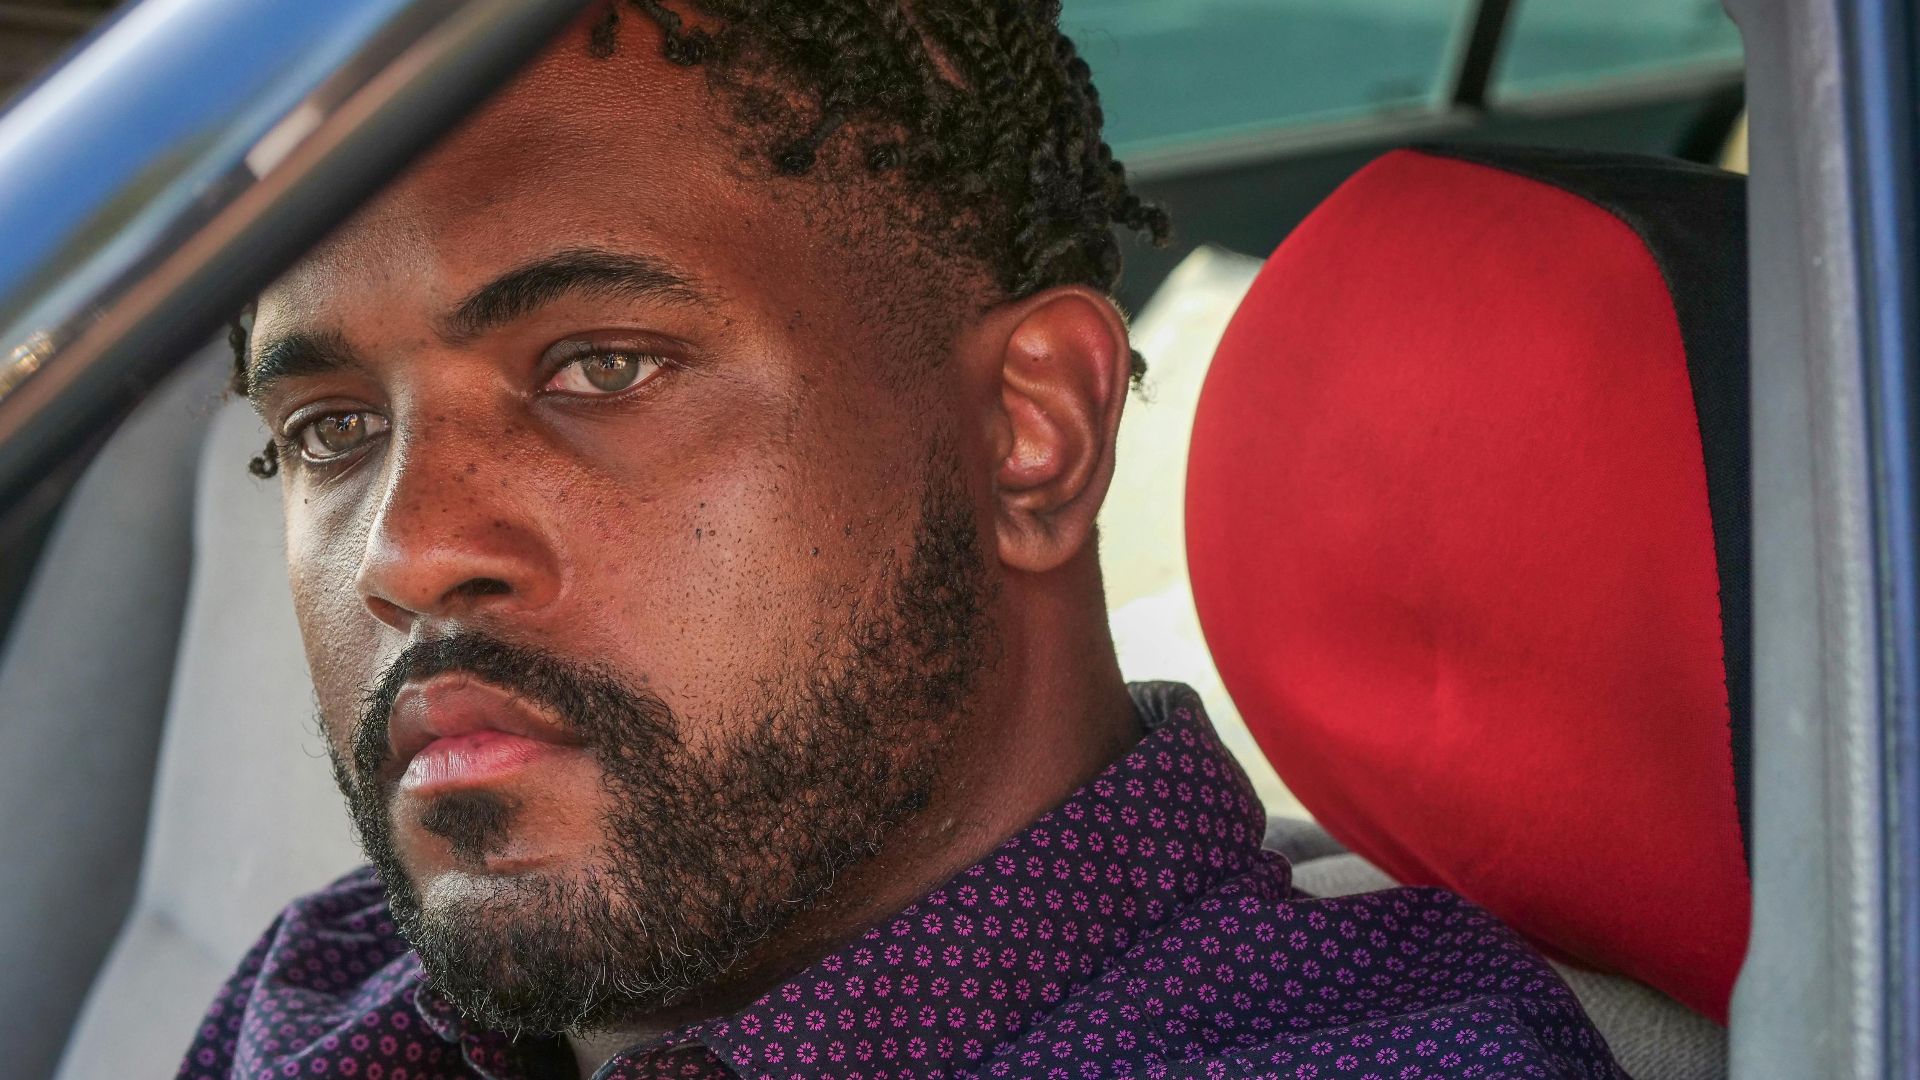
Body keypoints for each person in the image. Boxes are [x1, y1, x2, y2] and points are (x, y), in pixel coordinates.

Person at [179, 3, 1621, 1077]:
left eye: (602, 367)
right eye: (328, 432)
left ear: (1030, 430)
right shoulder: (329, 980)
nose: (408, 551)